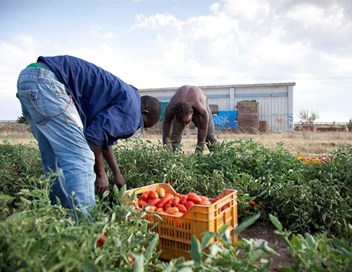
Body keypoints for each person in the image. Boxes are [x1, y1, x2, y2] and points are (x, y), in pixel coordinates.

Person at [16, 55, 161, 218]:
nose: (135, 127)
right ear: (144, 113)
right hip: (48, 82)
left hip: (30, 78)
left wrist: (116, 173)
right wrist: (101, 174)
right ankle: (88, 228)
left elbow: (104, 138)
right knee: (82, 158)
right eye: (141, 124)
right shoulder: (133, 112)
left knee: (53, 160)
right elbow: (94, 137)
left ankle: (61, 217)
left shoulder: (127, 97)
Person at [162, 85, 218, 153]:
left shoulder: (202, 111)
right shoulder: (171, 109)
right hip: (181, 105)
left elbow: (202, 134)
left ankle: (219, 157)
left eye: (186, 122)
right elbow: (166, 135)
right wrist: (167, 151)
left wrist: (198, 152)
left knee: (210, 137)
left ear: (192, 112)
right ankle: (172, 158)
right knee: (174, 137)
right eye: (182, 122)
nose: (184, 124)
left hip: (199, 101)